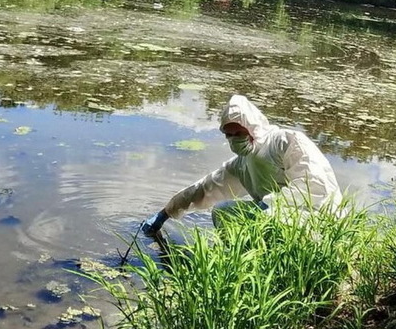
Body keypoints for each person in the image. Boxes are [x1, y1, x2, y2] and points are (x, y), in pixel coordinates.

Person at [142, 94, 342, 235]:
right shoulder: (242, 164)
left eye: (239, 133)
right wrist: (165, 213)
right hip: (276, 217)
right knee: (223, 211)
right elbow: (203, 189)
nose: (234, 140)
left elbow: (314, 186)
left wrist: (270, 204)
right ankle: (242, 260)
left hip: (319, 219)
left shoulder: (285, 142)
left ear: (253, 128)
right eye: (228, 135)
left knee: (266, 217)